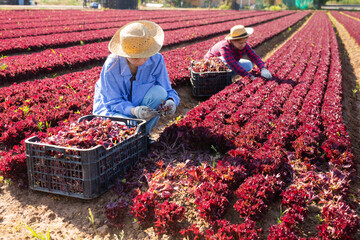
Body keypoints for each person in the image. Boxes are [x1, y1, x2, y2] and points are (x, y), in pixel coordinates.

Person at [93, 21, 180, 136]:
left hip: (140, 105)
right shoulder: (112, 65)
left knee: (160, 93)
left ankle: (144, 135)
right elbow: (112, 102)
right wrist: (134, 111)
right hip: (112, 110)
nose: (142, 60)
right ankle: (136, 136)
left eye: (145, 55)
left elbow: (168, 90)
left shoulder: (156, 60)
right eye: (135, 57)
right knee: (122, 128)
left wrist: (171, 101)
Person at [204, 25, 272, 81]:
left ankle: (228, 76)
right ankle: (222, 79)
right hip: (211, 65)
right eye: (240, 43)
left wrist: (263, 68)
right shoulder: (224, 48)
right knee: (224, 61)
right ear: (232, 41)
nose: (243, 45)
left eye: (245, 42)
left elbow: (254, 56)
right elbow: (233, 64)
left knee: (248, 64)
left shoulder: (244, 45)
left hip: (229, 64)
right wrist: (250, 77)